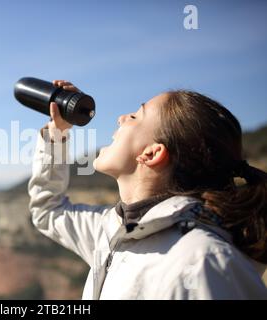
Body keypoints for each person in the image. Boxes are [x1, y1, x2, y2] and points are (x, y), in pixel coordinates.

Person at [28, 79, 267, 299]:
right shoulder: (112, 231)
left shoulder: (205, 261)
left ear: (151, 153)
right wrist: (56, 134)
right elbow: (49, 211)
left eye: (134, 117)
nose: (121, 117)